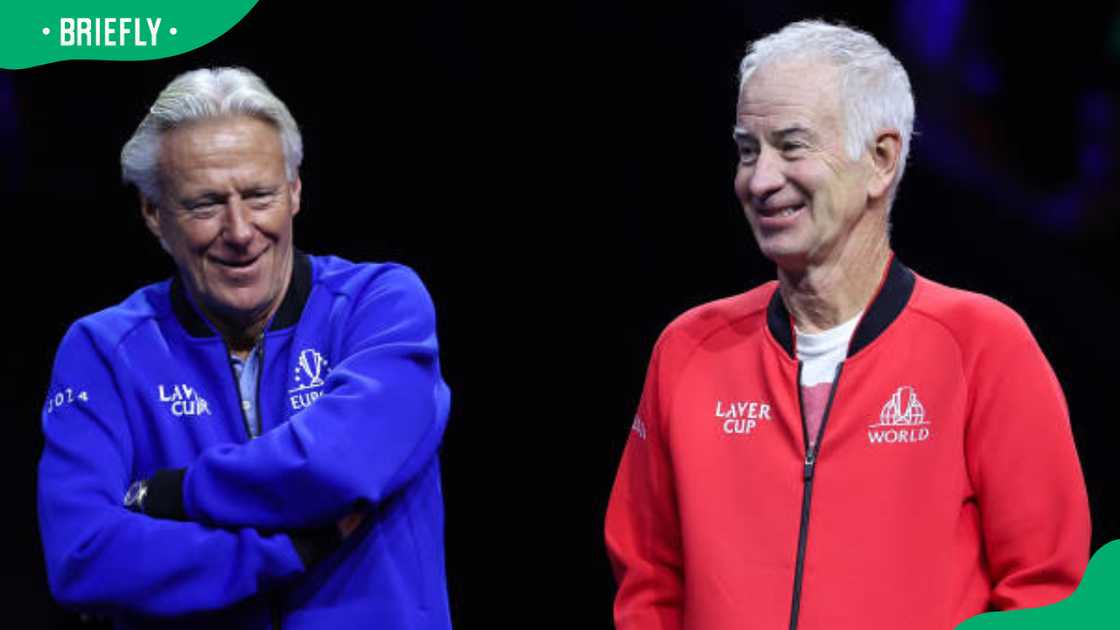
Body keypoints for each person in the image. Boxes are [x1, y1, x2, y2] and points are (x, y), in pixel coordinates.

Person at [605, 20, 1090, 630]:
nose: (760, 180)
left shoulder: (983, 347)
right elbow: (649, 585)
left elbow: (1046, 594)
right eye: (748, 150)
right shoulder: (688, 351)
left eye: (792, 147)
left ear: (881, 160)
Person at [37, 67, 453, 629]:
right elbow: (84, 556)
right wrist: (289, 548)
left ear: (295, 191)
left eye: (259, 195)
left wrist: (172, 494)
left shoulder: (378, 305)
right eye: (205, 204)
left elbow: (337, 466)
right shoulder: (104, 351)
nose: (239, 231)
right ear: (154, 214)